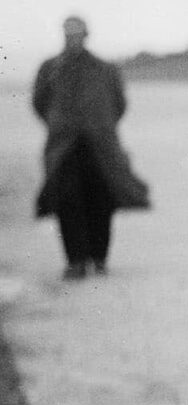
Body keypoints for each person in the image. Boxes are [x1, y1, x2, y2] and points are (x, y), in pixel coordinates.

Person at [31, 15, 150, 280]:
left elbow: (119, 104)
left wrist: (100, 126)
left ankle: (99, 258)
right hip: (64, 148)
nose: (72, 39)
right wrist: (60, 126)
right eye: (68, 35)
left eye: (77, 34)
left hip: (101, 147)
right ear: (63, 36)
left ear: (86, 36)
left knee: (101, 200)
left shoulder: (105, 69)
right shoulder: (49, 68)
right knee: (67, 202)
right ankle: (75, 262)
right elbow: (39, 103)